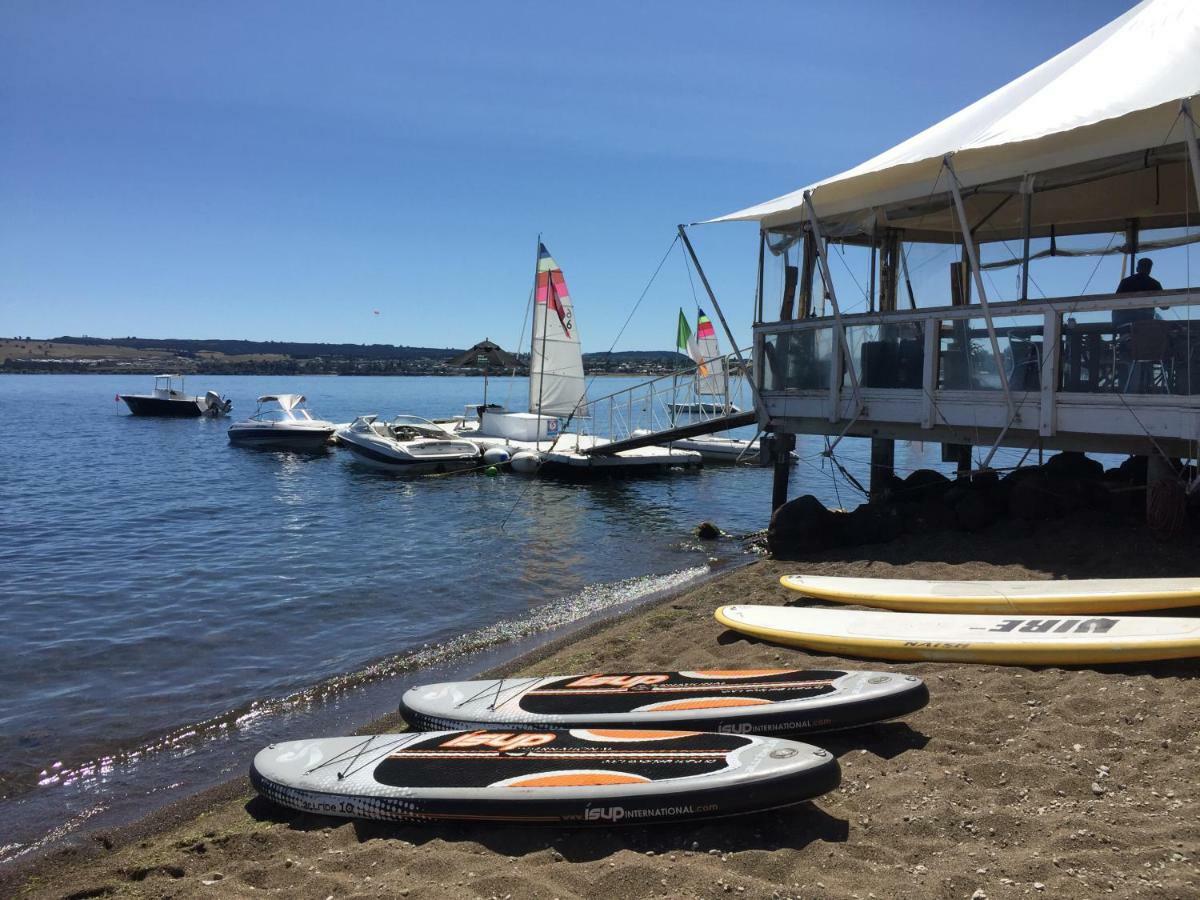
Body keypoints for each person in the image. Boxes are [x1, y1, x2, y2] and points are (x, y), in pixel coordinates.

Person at [1112, 258, 1163, 330]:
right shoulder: (1154, 284)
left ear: (1137, 268)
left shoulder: (1126, 282)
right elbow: (1164, 306)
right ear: (1149, 269)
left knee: (1127, 339)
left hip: (1125, 322)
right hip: (1146, 324)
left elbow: (1116, 302)